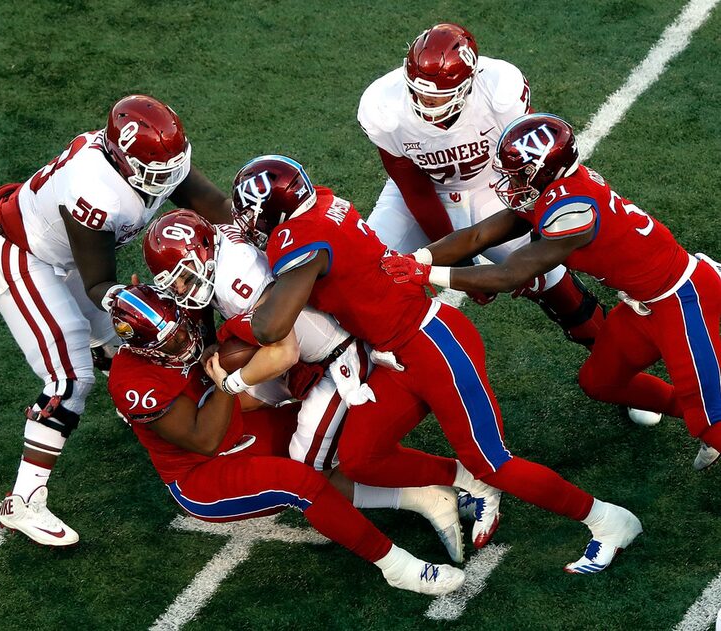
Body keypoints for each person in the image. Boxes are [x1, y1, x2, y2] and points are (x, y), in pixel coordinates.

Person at [225, 153, 642, 574]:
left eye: (252, 213)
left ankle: (607, 521)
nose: (250, 223)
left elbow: (270, 327)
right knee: (359, 458)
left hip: (431, 342)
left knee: (494, 461)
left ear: (272, 209)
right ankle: (468, 481)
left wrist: (245, 310)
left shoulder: (296, 238)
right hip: (394, 353)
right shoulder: (324, 203)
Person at [0, 94, 234, 546]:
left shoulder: (151, 162)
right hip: (22, 252)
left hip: (66, 256)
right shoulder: (94, 188)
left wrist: (254, 239)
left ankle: (141, 418)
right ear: (122, 158)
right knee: (69, 378)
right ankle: (24, 502)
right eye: (155, 172)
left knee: (112, 343)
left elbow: (216, 204)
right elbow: (99, 284)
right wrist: (143, 308)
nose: (164, 180)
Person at [381, 112, 721, 471]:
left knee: (712, 419)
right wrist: (412, 258)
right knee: (600, 381)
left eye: (517, 174)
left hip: (681, 299)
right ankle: (692, 416)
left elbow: (511, 273)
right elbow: (476, 237)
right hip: (641, 303)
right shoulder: (553, 191)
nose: (509, 181)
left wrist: (425, 273)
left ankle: (707, 427)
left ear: (544, 171)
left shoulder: (573, 210)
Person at [139, 208, 469, 561]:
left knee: (308, 468)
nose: (180, 288)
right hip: (309, 353)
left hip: (335, 359)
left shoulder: (236, 281)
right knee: (240, 408)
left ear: (203, 251)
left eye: (184, 277)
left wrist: (231, 383)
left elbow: (283, 352)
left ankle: (438, 492)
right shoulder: (219, 243)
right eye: (172, 282)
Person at [106, 284, 465, 596]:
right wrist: (227, 382)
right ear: (142, 349)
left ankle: (430, 493)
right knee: (302, 483)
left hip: (237, 425)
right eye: (172, 344)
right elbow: (204, 440)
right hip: (201, 471)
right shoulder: (133, 383)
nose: (186, 342)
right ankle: (398, 568)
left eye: (183, 331)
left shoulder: (178, 314)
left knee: (329, 436)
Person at [357, 23, 622, 359]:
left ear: (469, 83)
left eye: (436, 96)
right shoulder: (384, 105)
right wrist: (465, 265)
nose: (424, 102)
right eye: (417, 91)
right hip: (421, 194)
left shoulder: (499, 90)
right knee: (364, 274)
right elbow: (414, 189)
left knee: (550, 280)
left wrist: (532, 232)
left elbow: (529, 167)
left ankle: (617, 360)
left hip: (493, 186)